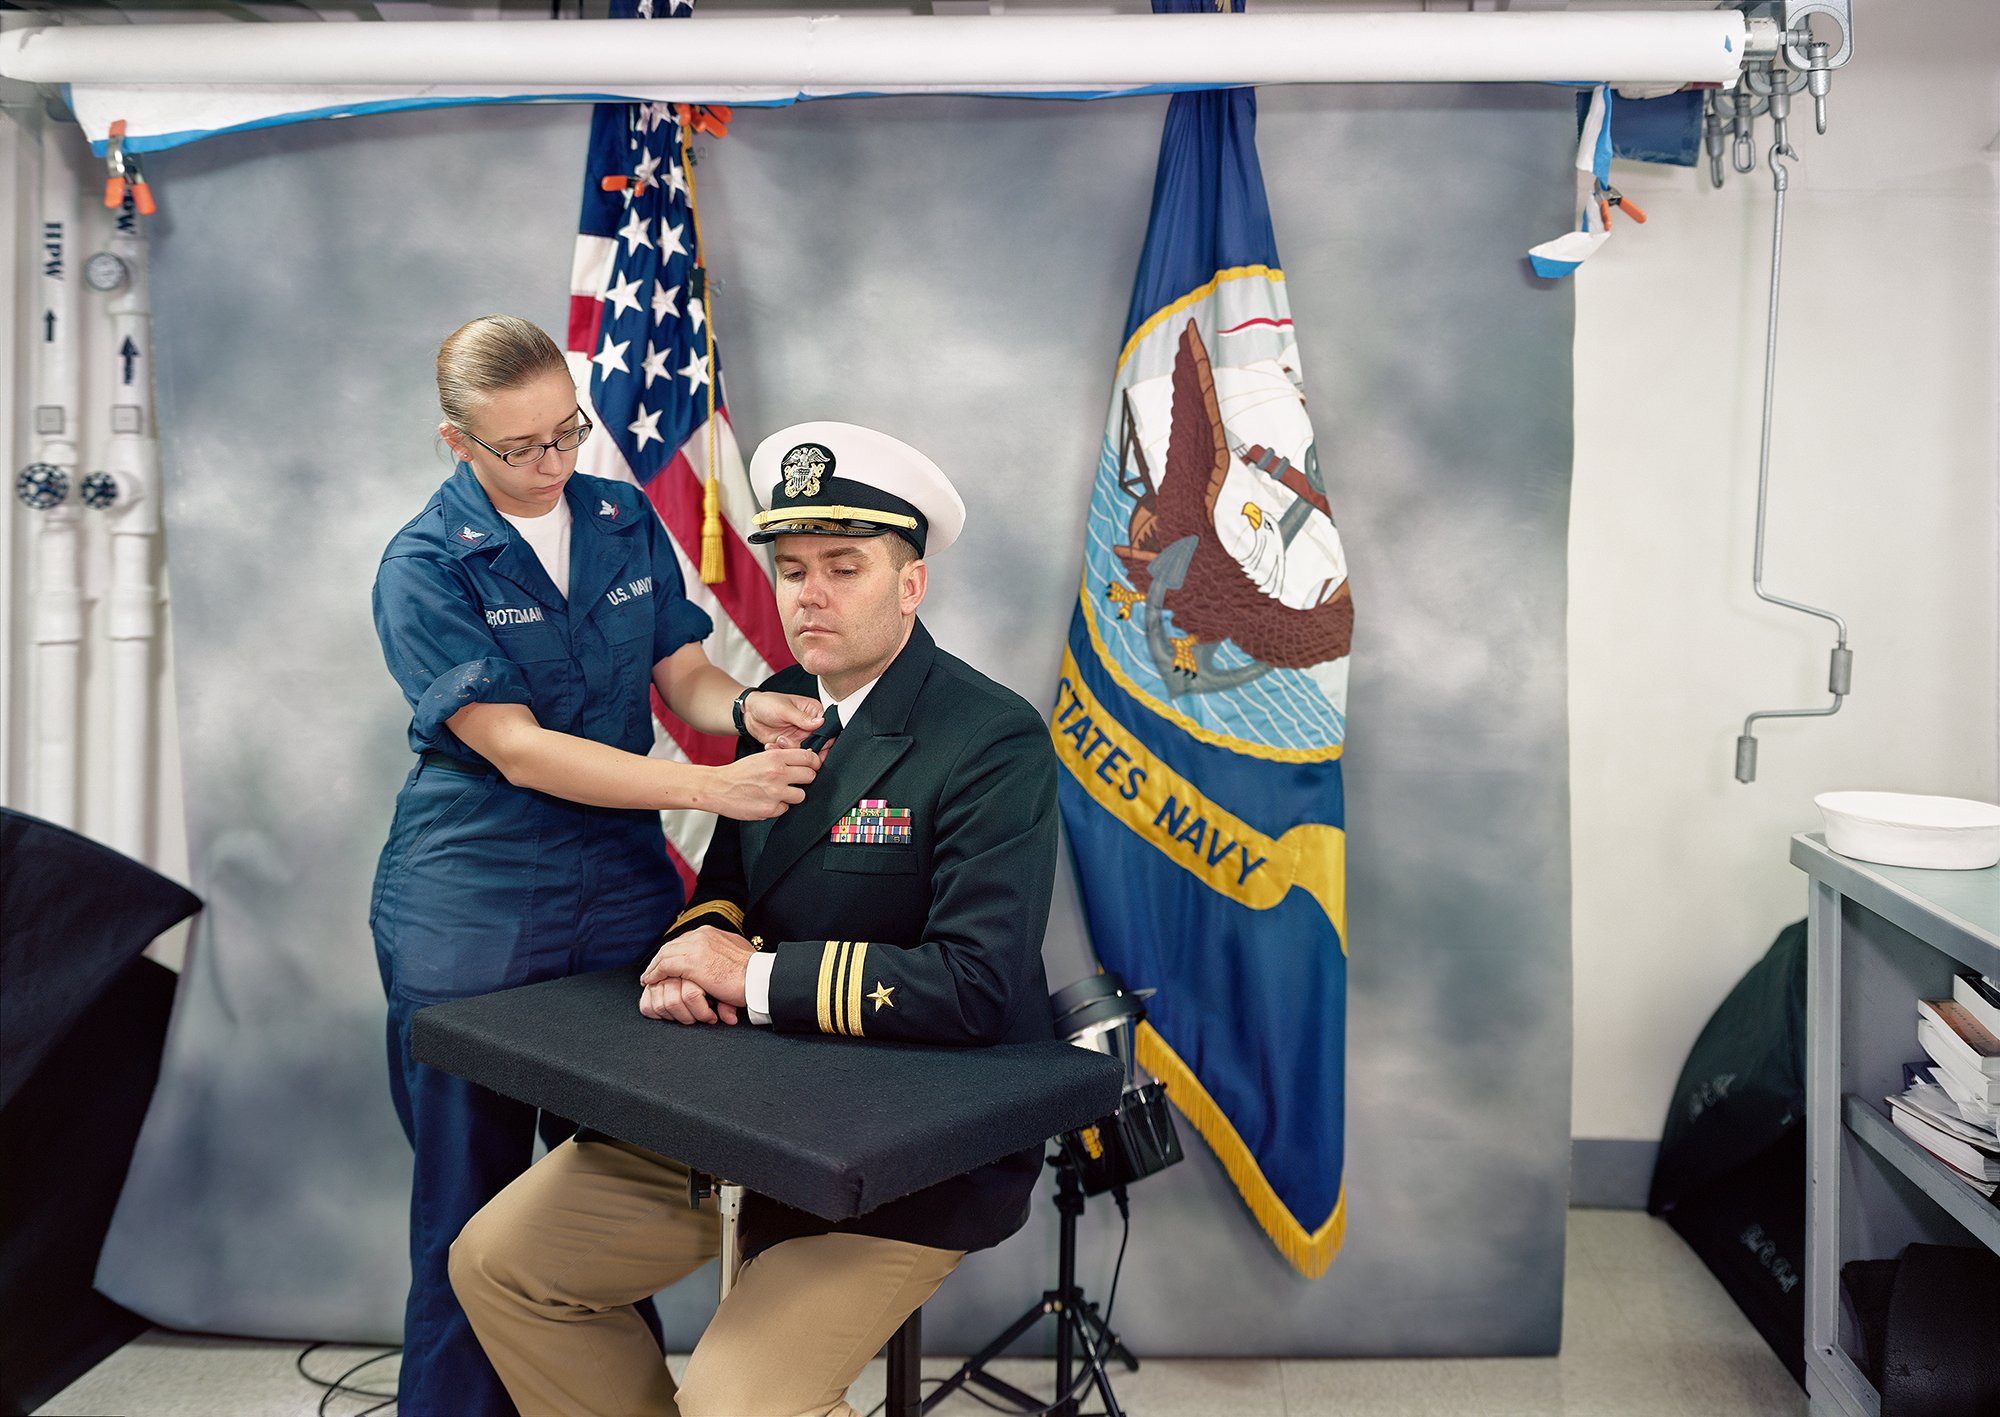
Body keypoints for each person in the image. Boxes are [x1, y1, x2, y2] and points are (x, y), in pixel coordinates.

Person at [448, 421, 1062, 1417]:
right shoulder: (776, 702)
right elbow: (727, 887)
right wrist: (696, 954)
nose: (807, 595)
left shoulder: (988, 738)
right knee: (502, 1264)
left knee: (733, 1404)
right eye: (789, 569)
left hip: (910, 1141)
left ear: (909, 584)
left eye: (843, 568)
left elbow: (976, 985)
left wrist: (750, 976)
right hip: (753, 1109)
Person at [370, 315, 826, 1417]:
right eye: (520, 447)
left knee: (601, 1204)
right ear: (456, 443)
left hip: (618, 884)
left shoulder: (619, 516)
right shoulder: (422, 567)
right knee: (468, 1213)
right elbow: (516, 747)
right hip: (471, 898)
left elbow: (680, 669)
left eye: (566, 432)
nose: (552, 463)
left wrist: (744, 707)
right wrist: (709, 787)